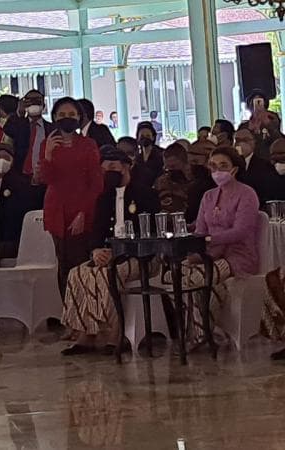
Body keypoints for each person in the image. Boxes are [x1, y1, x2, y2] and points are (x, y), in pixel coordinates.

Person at [60, 146, 159, 355]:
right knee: (78, 273)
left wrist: (121, 252)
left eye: (113, 167)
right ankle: (85, 333)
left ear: (126, 166)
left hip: (140, 256)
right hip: (108, 253)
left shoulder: (146, 195)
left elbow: (150, 232)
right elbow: (97, 230)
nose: (108, 173)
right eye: (104, 170)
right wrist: (96, 250)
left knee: (108, 275)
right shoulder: (104, 197)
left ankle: (115, 334)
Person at [167, 146, 260, 349]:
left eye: (223, 166)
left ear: (235, 169)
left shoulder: (247, 194)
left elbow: (240, 232)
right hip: (209, 254)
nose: (218, 171)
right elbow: (200, 229)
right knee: (172, 276)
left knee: (197, 279)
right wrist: (195, 248)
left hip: (238, 256)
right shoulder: (208, 196)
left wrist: (208, 240)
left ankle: (202, 335)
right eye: (214, 166)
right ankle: (202, 331)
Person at [40, 97, 104, 297]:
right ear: (54, 117)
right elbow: (45, 179)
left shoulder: (88, 144)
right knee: (63, 263)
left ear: (79, 117)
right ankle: (68, 308)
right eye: (61, 115)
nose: (66, 118)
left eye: (71, 114)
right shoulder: (47, 144)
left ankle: (84, 308)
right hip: (56, 211)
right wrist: (48, 155)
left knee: (80, 262)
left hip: (81, 209)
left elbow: (96, 183)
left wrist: (83, 212)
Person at [16, 89, 56, 213]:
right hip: (22, 181)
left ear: (44, 105)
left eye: (37, 101)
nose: (33, 104)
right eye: (29, 101)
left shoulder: (52, 129)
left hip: (46, 182)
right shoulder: (18, 126)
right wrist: (19, 113)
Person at [154, 143, 214, 223]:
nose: (169, 171)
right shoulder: (162, 182)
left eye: (173, 166)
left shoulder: (203, 181)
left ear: (186, 163)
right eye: (166, 167)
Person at [236, 124, 279, 208]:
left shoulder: (265, 165)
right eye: (238, 140)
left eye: (245, 140)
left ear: (254, 142)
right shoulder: (229, 163)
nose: (241, 143)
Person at [131, 121, 165, 188]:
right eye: (142, 136)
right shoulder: (137, 157)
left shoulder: (162, 154)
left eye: (148, 136)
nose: (145, 138)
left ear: (153, 137)